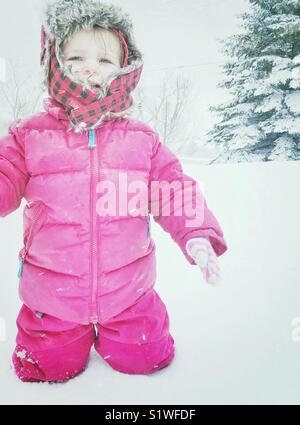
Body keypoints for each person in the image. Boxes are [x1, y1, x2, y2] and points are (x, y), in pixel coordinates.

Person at [0, 0, 228, 382]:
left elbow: (175, 190)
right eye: (75, 55)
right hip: (51, 294)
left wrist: (197, 234)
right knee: (43, 369)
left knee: (149, 359)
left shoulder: (141, 139)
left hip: (130, 291)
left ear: (125, 68)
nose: (90, 67)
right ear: (54, 62)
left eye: (105, 60)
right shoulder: (29, 135)